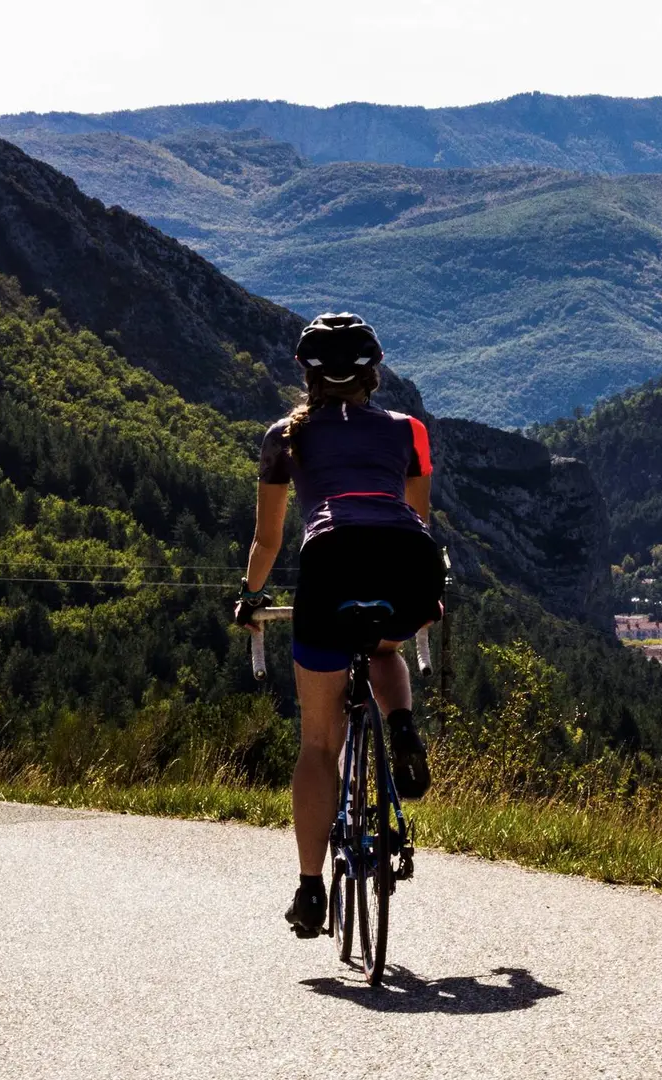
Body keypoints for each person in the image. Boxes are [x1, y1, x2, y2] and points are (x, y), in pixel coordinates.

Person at [231, 313, 445, 939]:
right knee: (383, 644)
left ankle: (311, 888)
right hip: (405, 560)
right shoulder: (410, 430)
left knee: (319, 744)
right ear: (374, 376)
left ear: (307, 376)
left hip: (330, 563)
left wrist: (250, 596)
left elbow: (268, 539)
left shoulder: (282, 437)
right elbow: (419, 514)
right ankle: (401, 724)